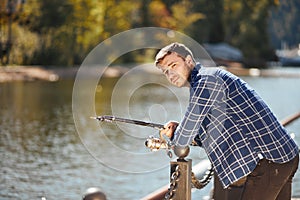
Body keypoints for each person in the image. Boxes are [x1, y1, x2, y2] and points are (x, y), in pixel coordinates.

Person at [155, 42, 299, 200]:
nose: (171, 74)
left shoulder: (206, 81)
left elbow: (183, 139)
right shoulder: (205, 82)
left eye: (173, 65)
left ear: (189, 61)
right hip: (283, 156)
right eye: (166, 72)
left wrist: (175, 135)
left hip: (271, 160)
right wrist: (180, 129)